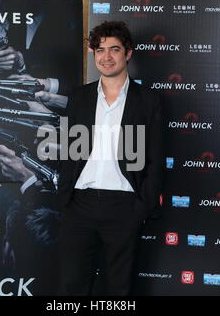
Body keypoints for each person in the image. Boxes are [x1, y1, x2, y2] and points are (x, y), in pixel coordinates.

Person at [57, 21, 165, 296]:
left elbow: (155, 160)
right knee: (72, 284)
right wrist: (66, 199)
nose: (106, 57)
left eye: (114, 49)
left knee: (119, 288)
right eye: (100, 50)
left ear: (128, 53)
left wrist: (141, 208)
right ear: (94, 54)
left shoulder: (148, 101)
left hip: (124, 207)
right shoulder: (78, 98)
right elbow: (67, 153)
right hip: (80, 205)